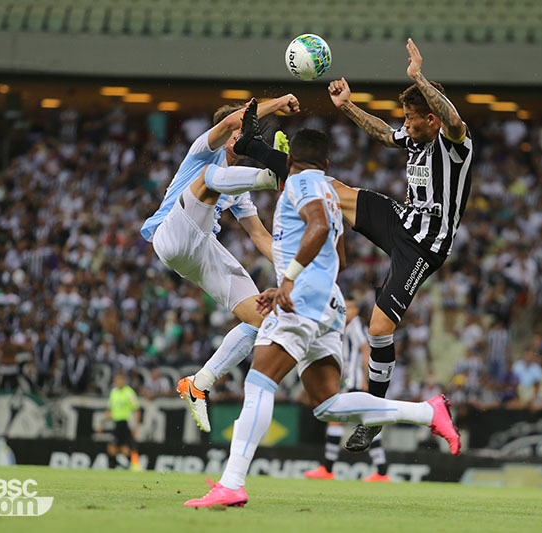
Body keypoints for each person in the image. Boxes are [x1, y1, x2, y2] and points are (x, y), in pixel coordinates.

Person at [184, 129, 460, 508]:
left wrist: (289, 281)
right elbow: (339, 258)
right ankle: (427, 411)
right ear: (327, 162)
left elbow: (315, 227)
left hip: (303, 299)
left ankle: (232, 483)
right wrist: (289, 280)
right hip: (328, 301)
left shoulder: (299, 185)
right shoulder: (331, 192)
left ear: (291, 160)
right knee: (326, 403)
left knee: (259, 382)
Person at [231, 39, 474, 452]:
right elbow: (383, 134)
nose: (406, 124)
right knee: (328, 188)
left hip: (425, 246)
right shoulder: (415, 137)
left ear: (431, 119)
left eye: (412, 119)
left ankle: (374, 415)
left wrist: (418, 77)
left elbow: (453, 118)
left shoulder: (454, 143)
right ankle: (250, 145)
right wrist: (347, 106)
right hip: (401, 219)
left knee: (380, 328)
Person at [139, 94, 300, 433]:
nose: (244, 142)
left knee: (263, 319)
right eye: (243, 133)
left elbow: (260, 237)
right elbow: (230, 123)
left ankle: (200, 383)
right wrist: (280, 101)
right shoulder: (204, 150)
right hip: (171, 233)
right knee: (210, 176)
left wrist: (293, 270)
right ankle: (274, 177)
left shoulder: (238, 185)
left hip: (200, 248)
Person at [302, 297, 390, 482]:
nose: (345, 310)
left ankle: (328, 468)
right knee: (367, 424)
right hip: (351, 382)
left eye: (349, 307)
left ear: (356, 310)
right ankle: (381, 471)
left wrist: (367, 380)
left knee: (338, 421)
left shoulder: (355, 326)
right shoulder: (347, 327)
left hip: (357, 382)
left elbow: (366, 351)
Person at [97, 373, 142, 471]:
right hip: (116, 423)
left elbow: (136, 409)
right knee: (113, 448)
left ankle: (134, 465)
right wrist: (101, 423)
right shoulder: (113, 392)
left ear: (124, 381)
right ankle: (115, 468)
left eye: (121, 380)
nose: (119, 382)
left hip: (125, 423)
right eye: (117, 381)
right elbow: (110, 410)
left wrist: (136, 427)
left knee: (124, 449)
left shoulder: (129, 392)